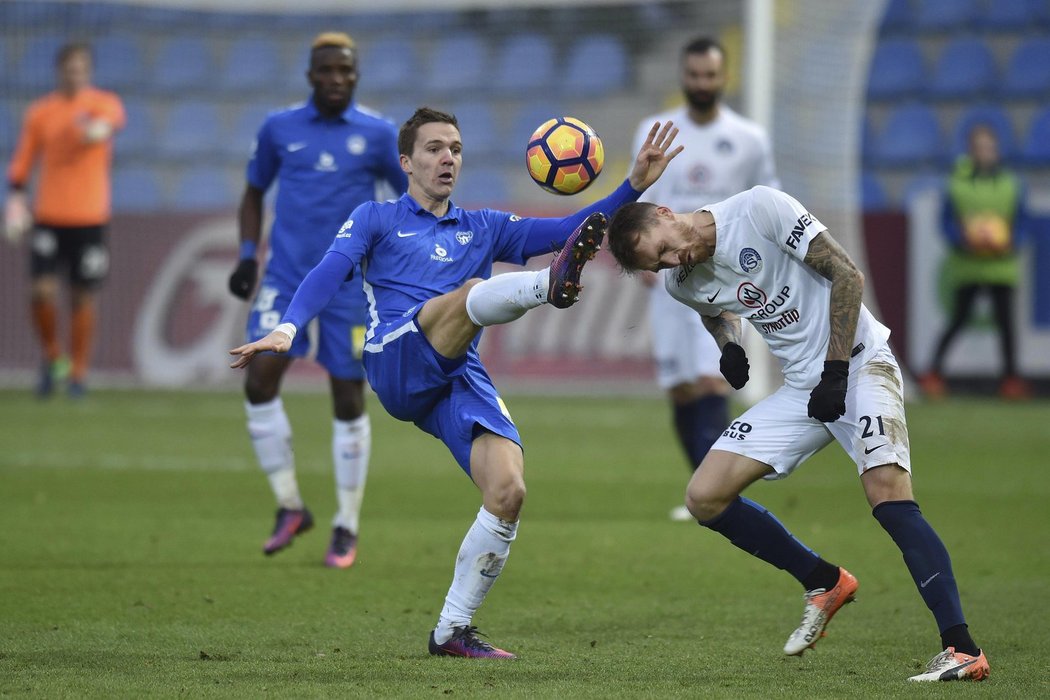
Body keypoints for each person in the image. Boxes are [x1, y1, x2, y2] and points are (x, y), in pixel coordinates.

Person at [231, 107, 681, 657]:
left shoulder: (483, 227)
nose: (448, 158)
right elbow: (329, 269)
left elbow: (572, 230)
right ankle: (547, 284)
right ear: (406, 162)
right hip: (395, 356)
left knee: (508, 490)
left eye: (456, 149)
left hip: (455, 372)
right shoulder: (375, 218)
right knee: (467, 294)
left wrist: (633, 184)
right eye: (434, 148)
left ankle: (452, 630)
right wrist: (287, 326)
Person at [606, 186, 989, 682]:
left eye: (663, 249)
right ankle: (823, 581)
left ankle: (962, 649)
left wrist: (834, 371)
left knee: (888, 498)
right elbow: (714, 310)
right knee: (705, 497)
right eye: (658, 265)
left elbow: (847, 275)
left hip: (858, 363)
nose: (671, 261)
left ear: (664, 213)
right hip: (805, 388)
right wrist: (729, 344)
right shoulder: (682, 281)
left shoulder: (759, 208)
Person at [226, 32, 408, 569]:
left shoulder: (377, 134)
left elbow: (410, 199)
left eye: (344, 71)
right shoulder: (279, 128)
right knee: (258, 379)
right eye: (325, 70)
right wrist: (243, 255)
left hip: (350, 287)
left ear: (356, 77)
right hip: (284, 278)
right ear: (310, 76)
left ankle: (346, 525)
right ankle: (289, 506)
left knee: (348, 397)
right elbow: (254, 191)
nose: (335, 79)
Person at [631, 36, 780, 521]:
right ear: (683, 75)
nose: (701, 84)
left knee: (712, 380)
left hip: (723, 278)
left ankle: (716, 497)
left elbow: (768, 201)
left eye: (710, 76)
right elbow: (637, 204)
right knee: (680, 386)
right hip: (667, 280)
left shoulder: (748, 138)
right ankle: (705, 489)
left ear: (724, 77)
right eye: (694, 75)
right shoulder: (655, 131)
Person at [4, 42, 125, 398]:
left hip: (90, 217)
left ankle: (78, 372)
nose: (75, 75)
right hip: (49, 215)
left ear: (88, 72)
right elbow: (23, 159)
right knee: (40, 291)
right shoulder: (41, 112)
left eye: (81, 69)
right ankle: (53, 357)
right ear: (60, 71)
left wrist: (97, 129)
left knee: (82, 296)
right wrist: (15, 201)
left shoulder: (103, 103)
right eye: (70, 69)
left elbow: (110, 122)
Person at [919, 124, 1030, 401]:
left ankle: (1011, 381)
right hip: (967, 266)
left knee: (1006, 325)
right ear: (971, 151)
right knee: (957, 320)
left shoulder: (1011, 184)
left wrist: (1010, 241)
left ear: (997, 150)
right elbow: (946, 222)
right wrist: (964, 239)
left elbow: (1023, 223)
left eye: (989, 147)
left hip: (1000, 266)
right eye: (979, 147)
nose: (985, 153)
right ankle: (933, 374)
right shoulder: (957, 183)